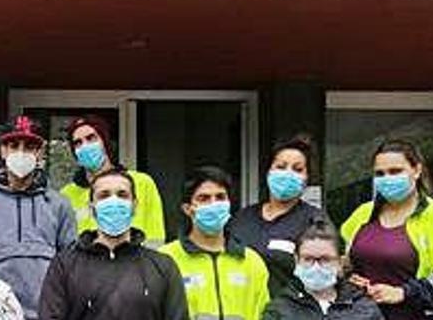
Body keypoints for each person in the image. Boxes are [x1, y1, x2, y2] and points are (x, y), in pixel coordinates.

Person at [0, 115, 76, 320]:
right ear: (3, 151)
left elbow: (70, 265)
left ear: (40, 153)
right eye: (14, 145)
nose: (21, 153)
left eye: (29, 147)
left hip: (48, 313)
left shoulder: (60, 205)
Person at [38, 168, 188, 320]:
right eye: (104, 195)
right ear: (92, 208)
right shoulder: (64, 266)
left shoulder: (163, 267)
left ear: (134, 206)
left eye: (122, 195)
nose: (113, 201)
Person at [341, 139, 433, 319]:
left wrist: (402, 293)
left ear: (416, 170)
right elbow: (345, 264)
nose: (387, 179)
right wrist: (349, 278)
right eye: (380, 173)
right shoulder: (362, 214)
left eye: (395, 171)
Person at [160, 166, 270, 320]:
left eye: (220, 197)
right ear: (187, 208)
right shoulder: (166, 259)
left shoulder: (251, 262)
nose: (213, 204)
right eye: (203, 198)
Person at [229, 134, 328, 296]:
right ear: (268, 172)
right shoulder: (241, 219)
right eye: (281, 167)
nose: (287, 174)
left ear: (307, 178)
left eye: (297, 169)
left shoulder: (315, 221)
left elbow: (324, 279)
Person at [60, 115, 166, 248]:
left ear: (105, 142)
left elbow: (155, 239)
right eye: (78, 143)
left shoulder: (142, 183)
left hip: (136, 266)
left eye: (91, 138)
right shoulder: (66, 195)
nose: (85, 146)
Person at [261, 221, 383, 320]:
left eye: (325, 259)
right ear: (297, 260)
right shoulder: (279, 310)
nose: (316, 267)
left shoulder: (364, 308)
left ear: (340, 262)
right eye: (308, 259)